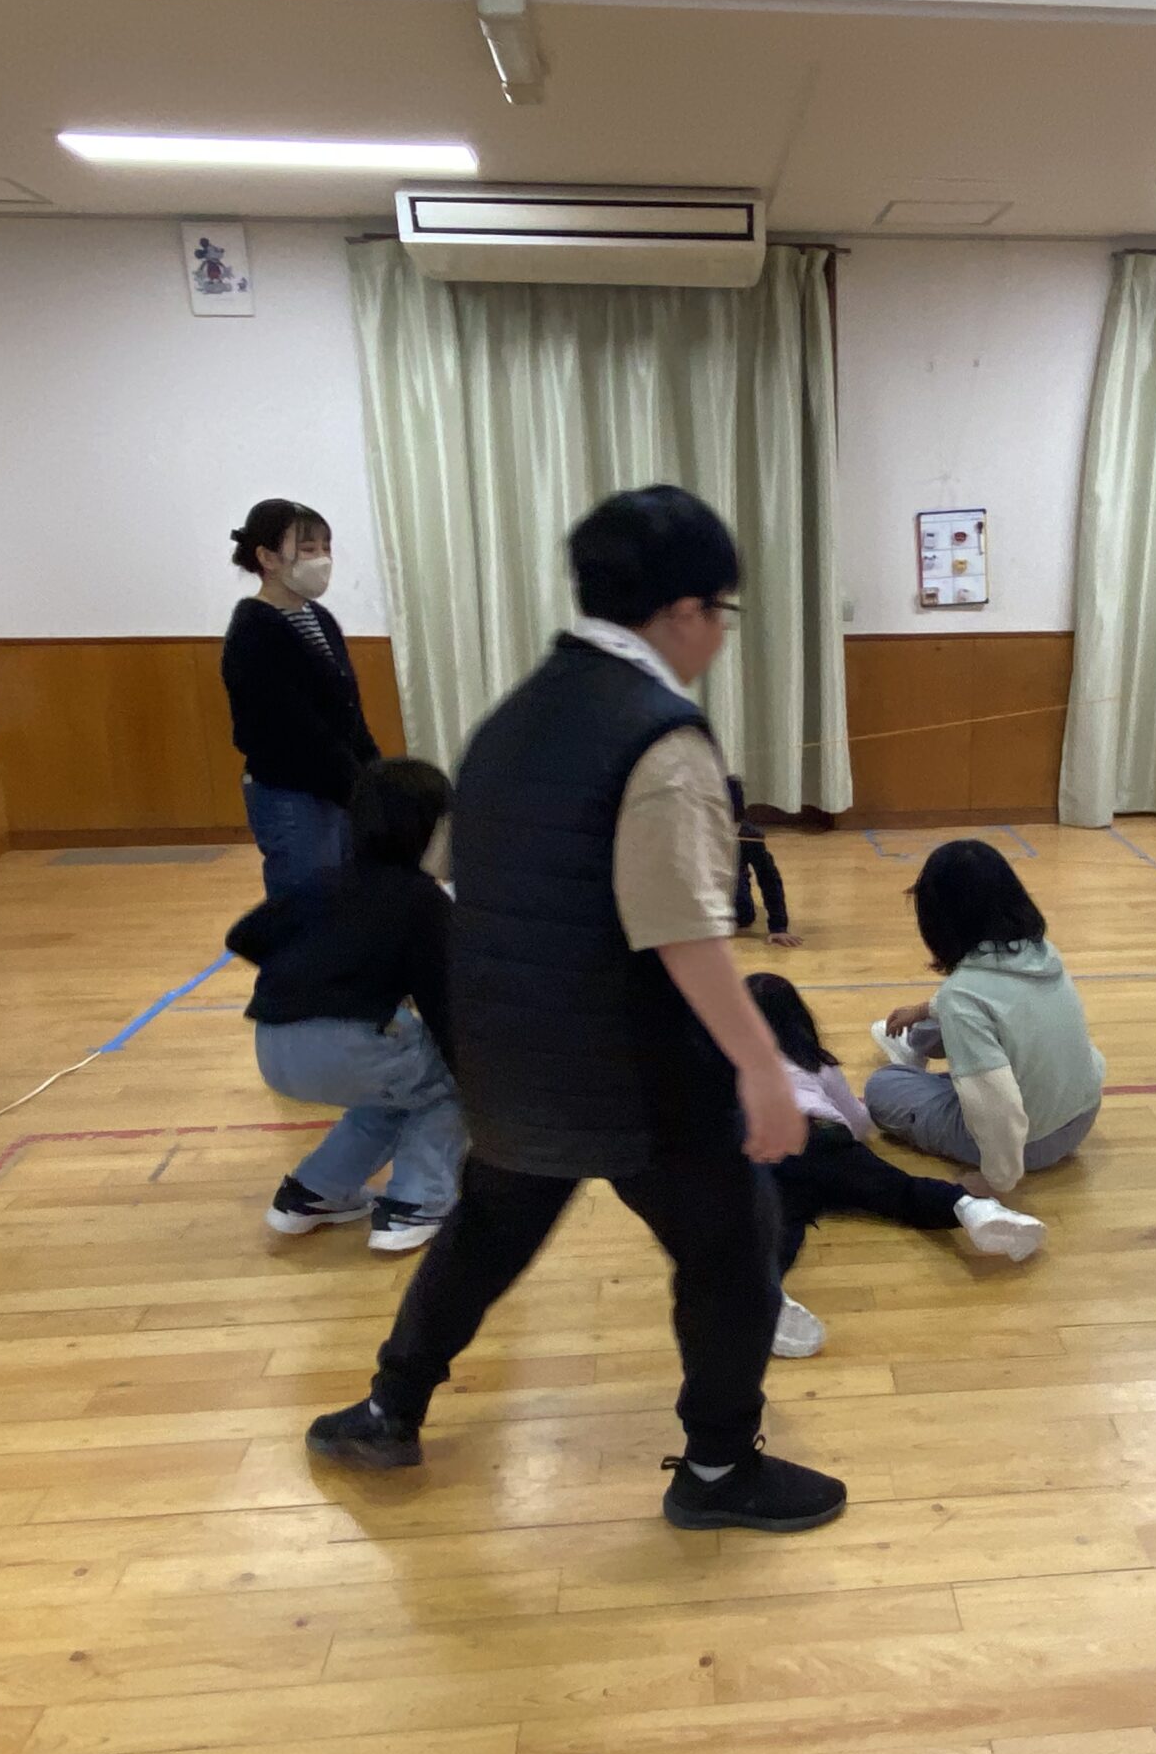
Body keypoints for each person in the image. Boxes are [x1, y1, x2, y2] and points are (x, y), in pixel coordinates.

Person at [304, 485, 846, 1536]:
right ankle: (718, 1470)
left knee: (487, 1233)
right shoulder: (662, 741)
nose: (719, 638)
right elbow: (684, 935)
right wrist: (760, 1070)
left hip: (509, 1057)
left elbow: (468, 888)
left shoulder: (506, 722)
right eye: (722, 615)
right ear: (684, 611)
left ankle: (389, 1407)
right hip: (637, 1074)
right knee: (735, 1246)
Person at [227, 758, 464, 1255]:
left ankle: (312, 1192)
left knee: (395, 1091)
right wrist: (475, 1076)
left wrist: (310, 971)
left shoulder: (320, 882)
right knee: (445, 1085)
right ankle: (416, 1203)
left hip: (272, 1044)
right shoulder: (422, 901)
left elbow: (243, 935)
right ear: (427, 828)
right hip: (350, 1044)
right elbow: (445, 1007)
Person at [746, 972, 1044, 1357]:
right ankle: (972, 1208)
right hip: (824, 1137)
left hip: (770, 1151)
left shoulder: (727, 1066)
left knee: (778, 1226)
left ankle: (767, 1296)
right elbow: (857, 1122)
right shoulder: (816, 1063)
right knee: (899, 1190)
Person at [864, 840, 1104, 1196]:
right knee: (947, 1013)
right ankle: (914, 1043)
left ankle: (912, 1054)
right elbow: (989, 999)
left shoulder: (962, 996)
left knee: (882, 1087)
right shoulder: (1041, 952)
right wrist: (922, 1010)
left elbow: (996, 1102)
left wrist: (997, 1178)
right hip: (1081, 1117)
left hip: (1029, 1144)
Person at [221, 499, 381, 900]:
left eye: (326, 548)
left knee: (347, 900)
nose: (322, 559)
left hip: (337, 787)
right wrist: (355, 783)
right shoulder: (254, 629)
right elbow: (292, 727)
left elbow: (348, 712)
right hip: (291, 793)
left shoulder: (319, 619)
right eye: (308, 549)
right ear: (267, 557)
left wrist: (374, 775)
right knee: (307, 907)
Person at [727, 776, 800, 946]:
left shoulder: (749, 836)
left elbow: (769, 879)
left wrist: (778, 927)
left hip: (731, 885)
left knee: (742, 914)